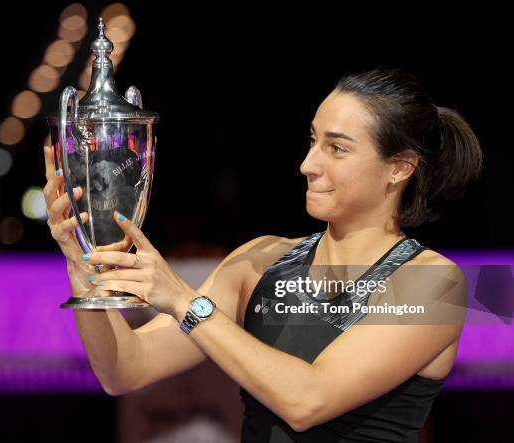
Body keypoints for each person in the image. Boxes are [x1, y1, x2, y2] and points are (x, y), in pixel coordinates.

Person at [42, 68, 483, 442]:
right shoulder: (261, 259)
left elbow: (306, 400)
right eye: (313, 141)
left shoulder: (435, 283)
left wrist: (183, 301)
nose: (308, 164)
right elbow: (125, 370)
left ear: (400, 168)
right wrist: (80, 261)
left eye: (337, 148)